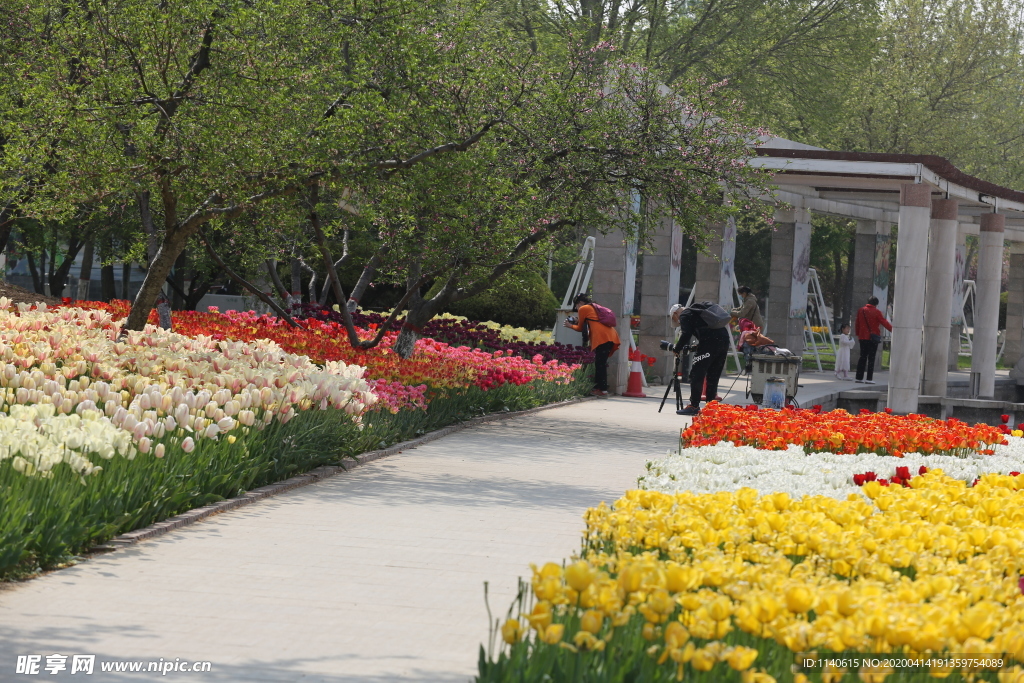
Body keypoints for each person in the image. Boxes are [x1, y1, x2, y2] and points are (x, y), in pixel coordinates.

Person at [672, 302, 730, 416]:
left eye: (675, 319)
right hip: (724, 339)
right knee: (713, 374)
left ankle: (694, 406)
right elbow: (706, 330)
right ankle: (711, 406)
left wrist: (677, 348)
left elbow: (686, 334)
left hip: (710, 342)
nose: (677, 322)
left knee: (696, 374)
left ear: (675, 313)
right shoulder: (698, 312)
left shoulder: (684, 314)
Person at [564, 294, 620, 396]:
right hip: (610, 336)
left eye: (576, 306)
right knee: (601, 364)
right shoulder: (593, 307)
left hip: (602, 338)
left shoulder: (584, 308)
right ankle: (601, 388)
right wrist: (578, 321)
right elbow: (591, 322)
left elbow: (581, 328)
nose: (577, 308)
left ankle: (602, 390)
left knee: (600, 365)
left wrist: (570, 325)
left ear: (580, 303)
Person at [854, 296, 891, 384]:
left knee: (862, 357)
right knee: (871, 358)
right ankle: (869, 378)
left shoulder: (861, 310)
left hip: (862, 337)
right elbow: (884, 322)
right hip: (873, 338)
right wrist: (893, 329)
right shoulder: (877, 312)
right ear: (876, 304)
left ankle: (859, 377)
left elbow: (857, 323)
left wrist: (858, 334)